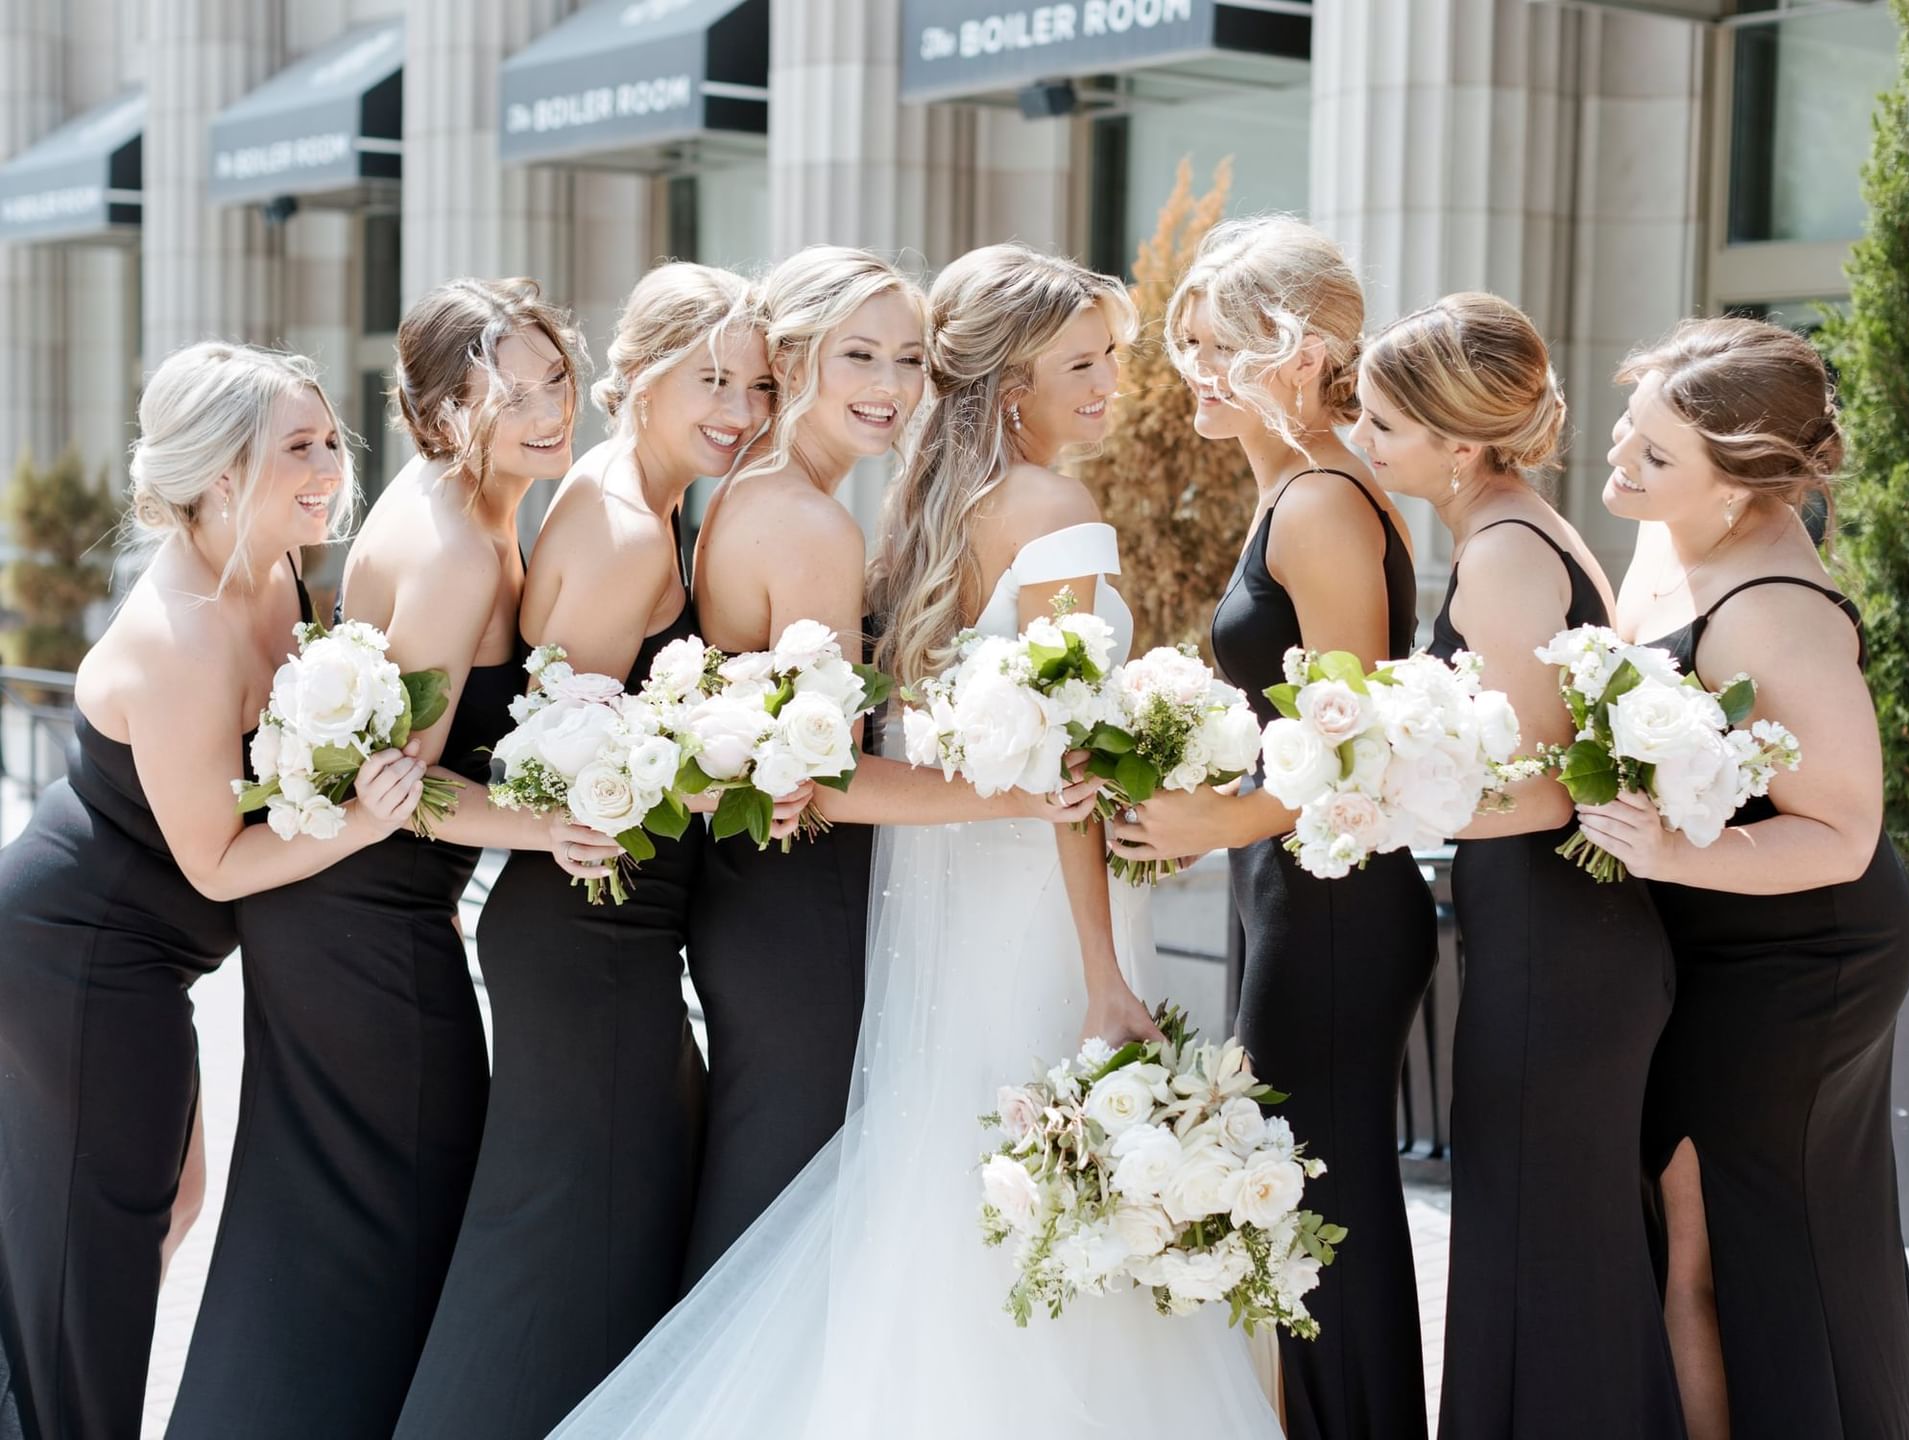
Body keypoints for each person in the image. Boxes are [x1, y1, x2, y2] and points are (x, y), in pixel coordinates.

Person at [545, 243, 1278, 1440]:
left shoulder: (919, 514)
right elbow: (1067, 771)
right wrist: (1105, 971)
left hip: (934, 896)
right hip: (1025, 897)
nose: (1108, 389)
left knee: (954, 1186)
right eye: (1083, 363)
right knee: (1015, 1189)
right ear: (1007, 384)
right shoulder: (1038, 515)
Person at [167, 280, 616, 1437]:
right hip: (368, 926)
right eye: (506, 394)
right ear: (436, 414)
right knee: (391, 1223)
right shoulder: (462, 545)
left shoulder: (457, 508)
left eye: (554, 378)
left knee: (321, 1230)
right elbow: (402, 795)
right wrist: (547, 827)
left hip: (357, 916)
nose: (545, 408)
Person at [0, 342, 425, 1440]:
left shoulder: (273, 564)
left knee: (160, 1209)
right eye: (299, 446)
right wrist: (369, 816)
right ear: (221, 473)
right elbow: (216, 863)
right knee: (94, 1256)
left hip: (140, 960)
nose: (332, 464)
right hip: (81, 956)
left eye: (331, 439)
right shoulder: (180, 634)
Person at [394, 264, 789, 1440]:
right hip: (590, 927)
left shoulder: (635, 497)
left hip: (601, 929)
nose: (741, 407)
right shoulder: (623, 530)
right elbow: (531, 765)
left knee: (585, 1249)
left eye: (760, 383)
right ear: (645, 376)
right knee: (559, 1262)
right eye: (712, 378)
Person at [1110, 215, 1435, 1440]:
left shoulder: (1321, 505)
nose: (1191, 368)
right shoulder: (1288, 495)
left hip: (1336, 901)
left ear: (1296, 356)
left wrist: (1211, 816)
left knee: (1317, 1200)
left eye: (1216, 345)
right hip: (1287, 882)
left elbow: (1355, 745)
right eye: (1186, 342)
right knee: (1290, 1198)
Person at [1581, 316, 1909, 1440]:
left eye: (1657, 455)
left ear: (1739, 489)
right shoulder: (1666, 529)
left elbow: (1845, 829)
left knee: (1719, 1237)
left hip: (1799, 952)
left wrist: (1676, 853)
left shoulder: (1776, 614)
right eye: (1632, 427)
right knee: (1702, 1226)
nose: (1621, 459)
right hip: (1704, 935)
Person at [1355, 293, 1684, 1438]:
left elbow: (1557, 787)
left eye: (1383, 424)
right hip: (1547, 933)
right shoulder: (1509, 529)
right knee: (1540, 1239)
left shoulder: (1500, 553)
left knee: (1548, 1245)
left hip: (1559, 937)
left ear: (1458, 442)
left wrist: (1376, 795)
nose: (1363, 442)